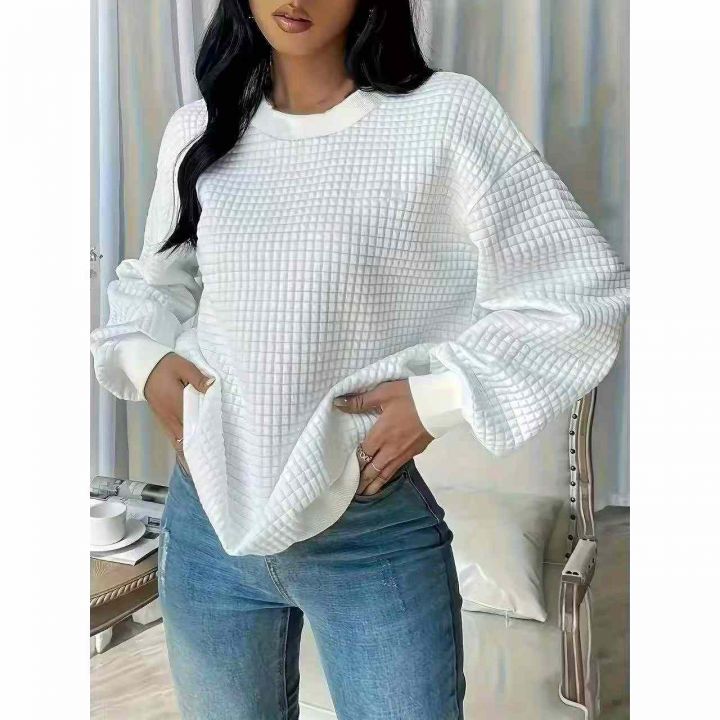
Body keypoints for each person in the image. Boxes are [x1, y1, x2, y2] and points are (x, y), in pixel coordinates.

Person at [90, 1, 630, 718]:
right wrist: (146, 362)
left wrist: (438, 400)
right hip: (207, 521)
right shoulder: (200, 129)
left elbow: (579, 296)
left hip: (366, 531)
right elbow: (156, 282)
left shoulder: (446, 116)